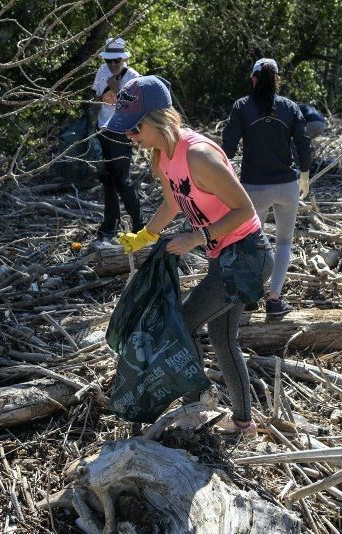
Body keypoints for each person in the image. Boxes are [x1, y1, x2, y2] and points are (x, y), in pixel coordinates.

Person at [107, 75, 273, 434]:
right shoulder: (163, 157)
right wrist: (144, 235)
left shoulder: (198, 155)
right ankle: (243, 423)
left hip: (246, 257)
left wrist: (198, 237)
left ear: (156, 120)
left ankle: (195, 409)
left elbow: (245, 210)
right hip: (224, 256)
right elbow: (172, 204)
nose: (129, 137)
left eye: (133, 129)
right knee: (222, 338)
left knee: (182, 324)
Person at [222, 58, 311, 317]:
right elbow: (304, 144)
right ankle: (274, 300)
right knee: (283, 242)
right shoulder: (289, 107)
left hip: (253, 188)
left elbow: (227, 148)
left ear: (253, 79)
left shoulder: (242, 107)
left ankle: (251, 296)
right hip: (286, 186)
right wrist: (304, 174)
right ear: (276, 80)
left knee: (251, 243)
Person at [92, 37, 143, 238]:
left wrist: (117, 90)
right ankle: (110, 225)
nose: (113, 64)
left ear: (123, 59)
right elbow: (96, 96)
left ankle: (139, 224)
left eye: (117, 61)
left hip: (122, 133)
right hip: (103, 130)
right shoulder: (101, 72)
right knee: (107, 180)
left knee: (122, 180)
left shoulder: (133, 76)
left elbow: (136, 106)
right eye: (109, 61)